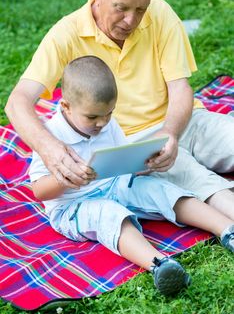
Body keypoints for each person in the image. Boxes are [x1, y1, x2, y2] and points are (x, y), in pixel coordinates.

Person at [5, 0, 234, 220]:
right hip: (135, 147)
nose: (131, 21)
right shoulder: (66, 34)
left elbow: (180, 87)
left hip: (184, 121)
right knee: (203, 182)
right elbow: (17, 102)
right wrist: (50, 148)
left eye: (140, 9)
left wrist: (169, 131)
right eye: (121, 8)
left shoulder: (160, 12)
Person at [29, 56, 234, 297]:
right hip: (74, 204)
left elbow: (120, 157)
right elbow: (39, 191)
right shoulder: (49, 137)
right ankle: (160, 265)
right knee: (110, 214)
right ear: (66, 107)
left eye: (108, 113)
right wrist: (66, 178)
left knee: (160, 189)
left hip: (114, 183)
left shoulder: (106, 122)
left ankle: (227, 229)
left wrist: (141, 162)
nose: (102, 123)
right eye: (93, 117)